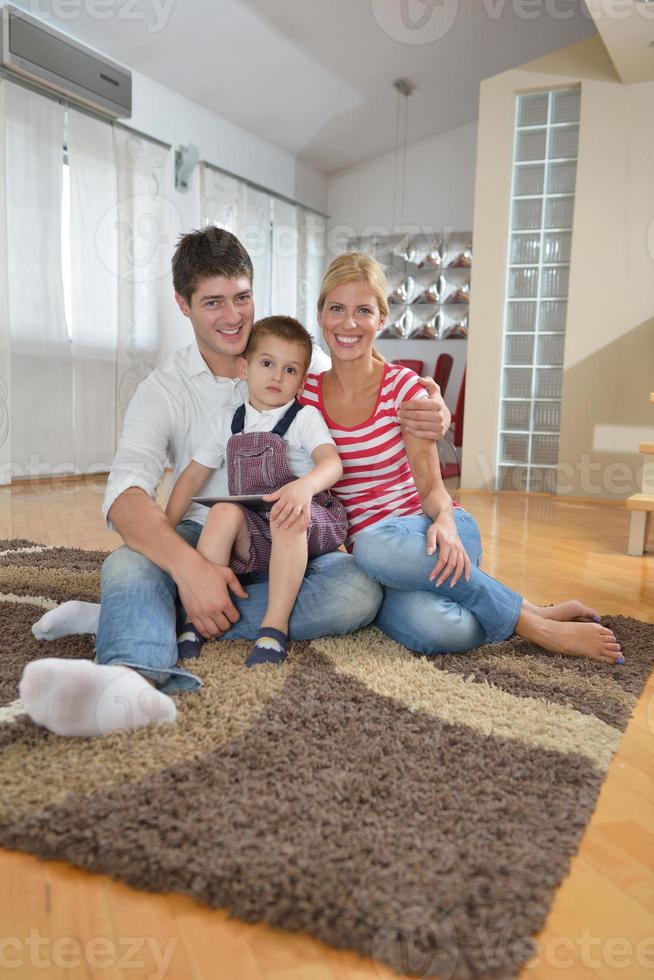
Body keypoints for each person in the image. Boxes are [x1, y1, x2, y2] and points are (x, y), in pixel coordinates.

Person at [22, 227, 450, 738]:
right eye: (213, 302)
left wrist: (430, 407)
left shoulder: (299, 359)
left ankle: (146, 616)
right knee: (130, 561)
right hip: (210, 536)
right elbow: (126, 496)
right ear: (183, 304)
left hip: (290, 536)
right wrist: (190, 568)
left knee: (357, 592)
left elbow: (369, 374)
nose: (232, 317)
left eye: (242, 297)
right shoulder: (162, 390)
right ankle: (128, 679)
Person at [299, 252, 625, 666]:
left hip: (430, 533)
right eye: (337, 309)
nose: (348, 323)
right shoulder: (305, 394)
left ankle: (539, 629)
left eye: (363, 310)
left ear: (381, 319)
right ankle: (526, 609)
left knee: (370, 548)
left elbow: (432, 486)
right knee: (438, 630)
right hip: (384, 565)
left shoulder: (404, 388)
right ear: (321, 315)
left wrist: (447, 525)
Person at [166, 315, 347, 668]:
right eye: (267, 364)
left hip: (307, 521)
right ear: (243, 368)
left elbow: (332, 464)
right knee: (222, 512)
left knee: (287, 515)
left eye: (290, 370)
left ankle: (273, 627)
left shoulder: (303, 418)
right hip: (257, 530)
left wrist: (303, 488)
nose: (277, 376)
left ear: (302, 381)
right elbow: (189, 478)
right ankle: (197, 616)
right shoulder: (227, 420)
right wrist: (164, 530)